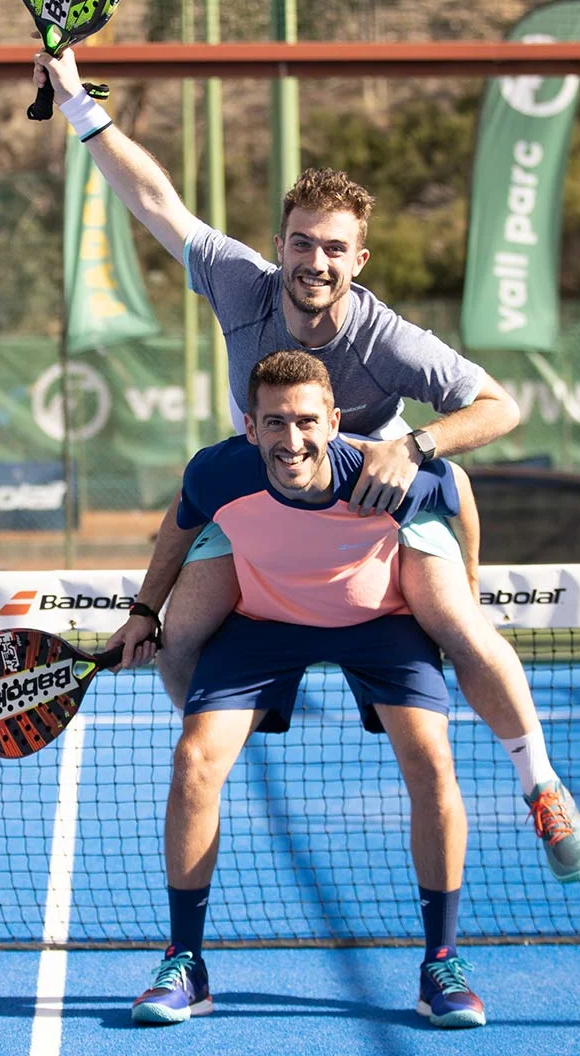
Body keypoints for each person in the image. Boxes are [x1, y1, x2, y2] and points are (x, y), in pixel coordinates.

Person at [37, 48, 580, 883]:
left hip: (375, 505)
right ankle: (237, 711)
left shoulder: (388, 340)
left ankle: (540, 784)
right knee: (180, 637)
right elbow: (153, 199)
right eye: (302, 243)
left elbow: (500, 407)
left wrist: (415, 445)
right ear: (280, 245)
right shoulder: (239, 283)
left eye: (334, 249)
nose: (315, 263)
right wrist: (78, 103)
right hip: (263, 500)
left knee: (458, 620)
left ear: (358, 261)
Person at [117, 350, 483, 1029]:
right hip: (265, 625)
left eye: (307, 421)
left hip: (381, 622)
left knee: (432, 759)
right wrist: (144, 610)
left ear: (336, 421)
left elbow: (460, 496)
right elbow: (180, 525)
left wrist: (471, 591)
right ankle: (185, 963)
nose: (293, 440)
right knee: (194, 761)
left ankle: (441, 962)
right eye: (275, 423)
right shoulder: (218, 470)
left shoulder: (385, 475)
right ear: (250, 428)